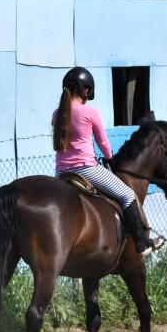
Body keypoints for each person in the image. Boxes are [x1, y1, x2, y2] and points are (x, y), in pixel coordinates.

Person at [52, 66, 159, 257]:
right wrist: (110, 158)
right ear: (86, 90)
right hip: (86, 169)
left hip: (61, 173)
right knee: (127, 194)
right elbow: (103, 142)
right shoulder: (90, 112)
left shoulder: (56, 113)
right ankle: (141, 244)